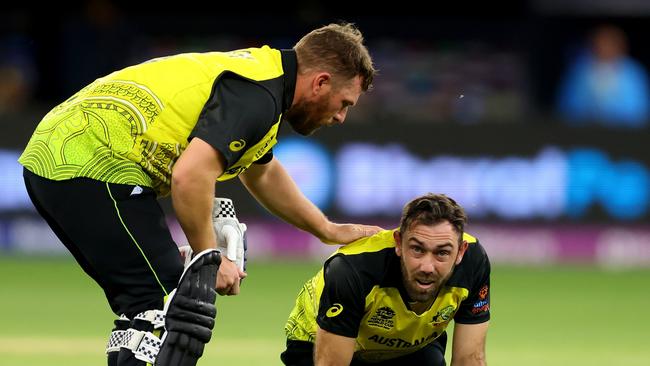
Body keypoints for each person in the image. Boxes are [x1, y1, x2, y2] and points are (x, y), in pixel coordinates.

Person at [18, 22, 382, 366]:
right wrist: (209, 257)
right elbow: (190, 175)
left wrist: (326, 229)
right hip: (90, 162)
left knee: (149, 308)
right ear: (320, 82)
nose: (341, 117)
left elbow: (264, 171)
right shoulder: (258, 94)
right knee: (171, 308)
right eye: (345, 102)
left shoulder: (262, 78)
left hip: (63, 155)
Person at [281, 193, 490, 366]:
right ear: (398, 243)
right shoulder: (352, 271)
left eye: (442, 253)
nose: (427, 267)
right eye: (417, 249)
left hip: (409, 344)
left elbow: (470, 359)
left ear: (461, 251)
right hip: (318, 340)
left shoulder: (473, 263)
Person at [556, 24, 650, 128]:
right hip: (585, 130)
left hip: (623, 132)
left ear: (620, 46)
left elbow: (639, 109)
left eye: (609, 44)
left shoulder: (633, 72)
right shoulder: (580, 71)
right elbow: (567, 105)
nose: (603, 48)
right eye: (599, 43)